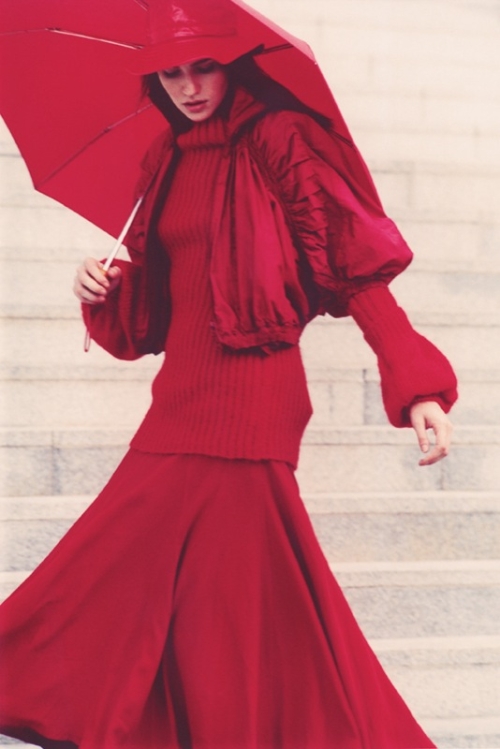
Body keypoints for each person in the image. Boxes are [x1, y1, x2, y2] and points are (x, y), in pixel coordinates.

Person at [0, 3, 457, 748]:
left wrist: (417, 385)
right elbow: (155, 313)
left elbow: (355, 271)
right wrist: (102, 286)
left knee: (151, 567)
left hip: (254, 397)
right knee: (205, 590)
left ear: (234, 63)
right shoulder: (165, 158)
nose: (188, 87)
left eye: (203, 67)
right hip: (180, 396)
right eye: (171, 73)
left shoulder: (282, 138)